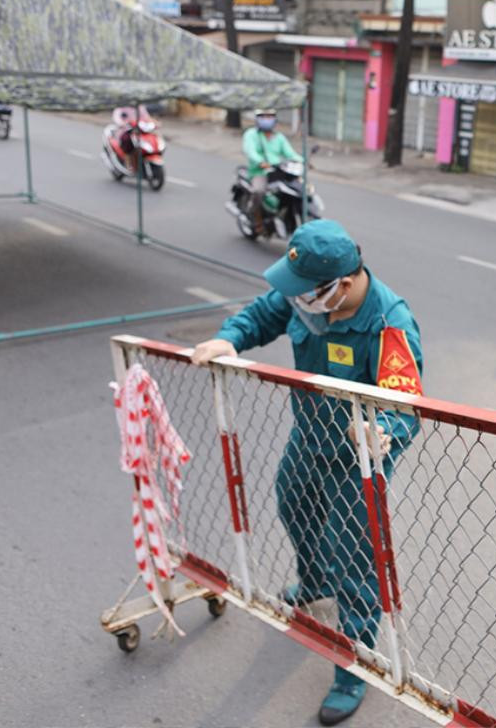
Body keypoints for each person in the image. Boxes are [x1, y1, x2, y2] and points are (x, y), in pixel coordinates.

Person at [191, 220, 423, 726]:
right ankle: (314, 580)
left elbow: (405, 403)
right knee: (292, 504)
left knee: (354, 558)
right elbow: (262, 312)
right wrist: (228, 339)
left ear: (341, 283)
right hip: (310, 435)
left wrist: (383, 430)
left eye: (305, 294)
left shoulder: (389, 323)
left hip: (357, 461)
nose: (296, 301)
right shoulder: (306, 297)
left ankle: (355, 661)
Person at [243, 108, 302, 233]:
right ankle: (256, 217)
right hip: (259, 172)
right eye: (263, 117)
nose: (267, 120)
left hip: (278, 172)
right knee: (259, 191)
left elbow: (290, 153)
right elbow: (251, 152)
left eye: (269, 117)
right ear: (257, 119)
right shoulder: (251, 135)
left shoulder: (279, 137)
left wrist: (303, 160)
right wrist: (260, 162)